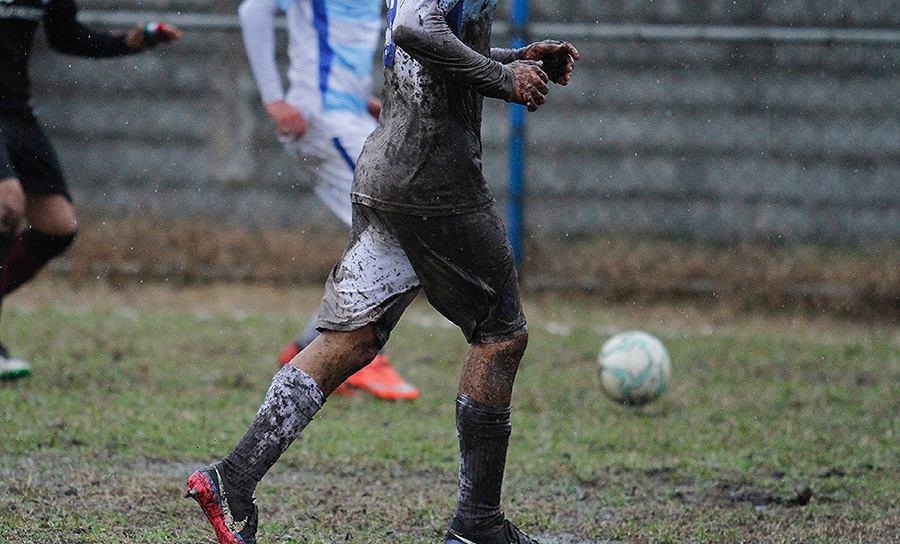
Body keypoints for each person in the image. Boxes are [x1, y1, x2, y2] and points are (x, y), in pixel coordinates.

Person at [186, 0, 578, 542]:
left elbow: (433, 48)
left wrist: (516, 58)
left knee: (350, 339)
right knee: (500, 337)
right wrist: (502, 76)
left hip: (388, 168)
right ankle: (478, 525)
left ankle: (232, 478)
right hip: (437, 181)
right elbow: (415, 28)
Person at [238, 0, 419, 401]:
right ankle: (363, 358)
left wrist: (359, 100)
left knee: (396, 231)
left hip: (345, 115)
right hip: (321, 118)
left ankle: (308, 348)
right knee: (394, 231)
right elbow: (253, 10)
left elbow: (340, 43)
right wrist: (273, 98)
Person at [0, 1, 181, 380]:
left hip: (15, 111)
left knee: (57, 227)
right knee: (7, 203)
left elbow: (66, 36)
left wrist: (130, 43)